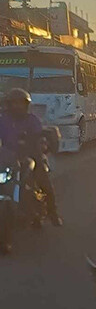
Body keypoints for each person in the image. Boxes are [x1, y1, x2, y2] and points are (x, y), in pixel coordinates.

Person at [0, 88, 62, 230]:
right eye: (14, 103)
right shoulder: (3, 120)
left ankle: (53, 213)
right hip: (7, 158)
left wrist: (40, 145)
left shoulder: (32, 120)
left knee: (45, 183)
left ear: (26, 105)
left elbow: (39, 138)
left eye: (20, 103)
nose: (17, 106)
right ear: (8, 105)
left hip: (31, 157)